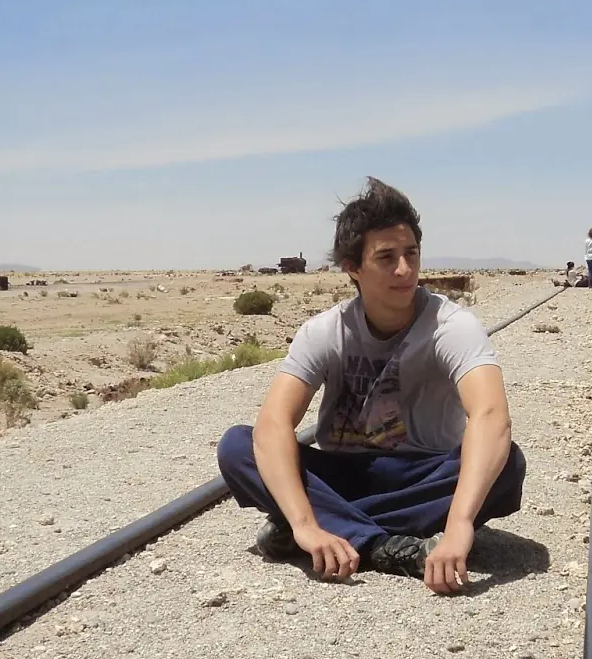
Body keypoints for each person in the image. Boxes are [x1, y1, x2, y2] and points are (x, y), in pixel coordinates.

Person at [217, 178, 526, 596]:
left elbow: (489, 415)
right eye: (386, 258)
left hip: (425, 476)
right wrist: (307, 527)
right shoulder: (326, 330)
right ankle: (381, 546)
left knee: (507, 464)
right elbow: (274, 422)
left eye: (411, 254)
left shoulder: (451, 326)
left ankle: (334, 528)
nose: (405, 269)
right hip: (346, 473)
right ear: (353, 268)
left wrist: (458, 526)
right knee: (238, 445)